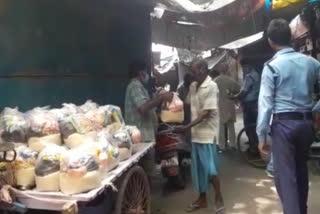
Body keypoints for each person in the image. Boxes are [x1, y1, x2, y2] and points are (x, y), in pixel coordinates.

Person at [257, 19, 320, 214]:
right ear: (291, 37)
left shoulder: (271, 67)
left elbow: (265, 105)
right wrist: (316, 109)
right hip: (306, 125)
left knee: (285, 178)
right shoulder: (311, 62)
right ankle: (302, 209)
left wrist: (261, 137)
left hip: (283, 126)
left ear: (270, 41)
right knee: (301, 170)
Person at [177, 59, 224, 213]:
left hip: (207, 135)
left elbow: (205, 114)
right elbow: (187, 104)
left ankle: (219, 197)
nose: (192, 74)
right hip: (196, 134)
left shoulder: (212, 86)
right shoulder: (192, 86)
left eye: (194, 71)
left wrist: (185, 127)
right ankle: (202, 199)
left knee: (210, 170)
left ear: (203, 69)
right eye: (191, 71)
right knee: (198, 171)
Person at [124, 60, 173, 176]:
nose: (148, 76)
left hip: (145, 136)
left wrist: (158, 97)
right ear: (141, 73)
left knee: (146, 171)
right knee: (146, 172)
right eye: (147, 73)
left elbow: (147, 104)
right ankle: (146, 193)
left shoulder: (140, 87)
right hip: (141, 137)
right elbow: (143, 108)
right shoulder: (134, 86)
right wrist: (161, 98)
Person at [231, 58, 260, 153]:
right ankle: (255, 144)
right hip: (255, 103)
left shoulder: (249, 76)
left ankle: (253, 149)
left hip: (249, 105)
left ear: (248, 66)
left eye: (244, 67)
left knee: (248, 126)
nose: (243, 69)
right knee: (254, 126)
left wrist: (235, 97)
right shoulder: (257, 75)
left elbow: (244, 91)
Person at [214, 65, 241, 151]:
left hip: (220, 104)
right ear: (227, 70)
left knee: (221, 126)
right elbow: (238, 89)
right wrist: (232, 94)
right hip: (229, 104)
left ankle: (221, 146)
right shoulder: (230, 80)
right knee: (231, 125)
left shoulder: (215, 81)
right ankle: (232, 144)